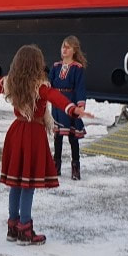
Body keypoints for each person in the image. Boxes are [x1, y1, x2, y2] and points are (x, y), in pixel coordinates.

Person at [0, 45, 92, 245]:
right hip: (33, 134)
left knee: (16, 183)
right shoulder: (40, 87)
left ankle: (13, 228)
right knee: (28, 183)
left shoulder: (10, 82)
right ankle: (25, 230)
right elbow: (56, 97)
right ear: (36, 64)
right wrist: (73, 109)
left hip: (16, 131)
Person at [49, 36, 88, 180]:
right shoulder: (56, 66)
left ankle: (75, 167)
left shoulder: (77, 68)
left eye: (68, 47)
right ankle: (56, 166)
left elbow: (80, 88)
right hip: (57, 104)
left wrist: (80, 105)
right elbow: (49, 83)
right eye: (63, 47)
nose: (64, 50)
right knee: (58, 136)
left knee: (73, 136)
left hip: (70, 103)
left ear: (74, 50)